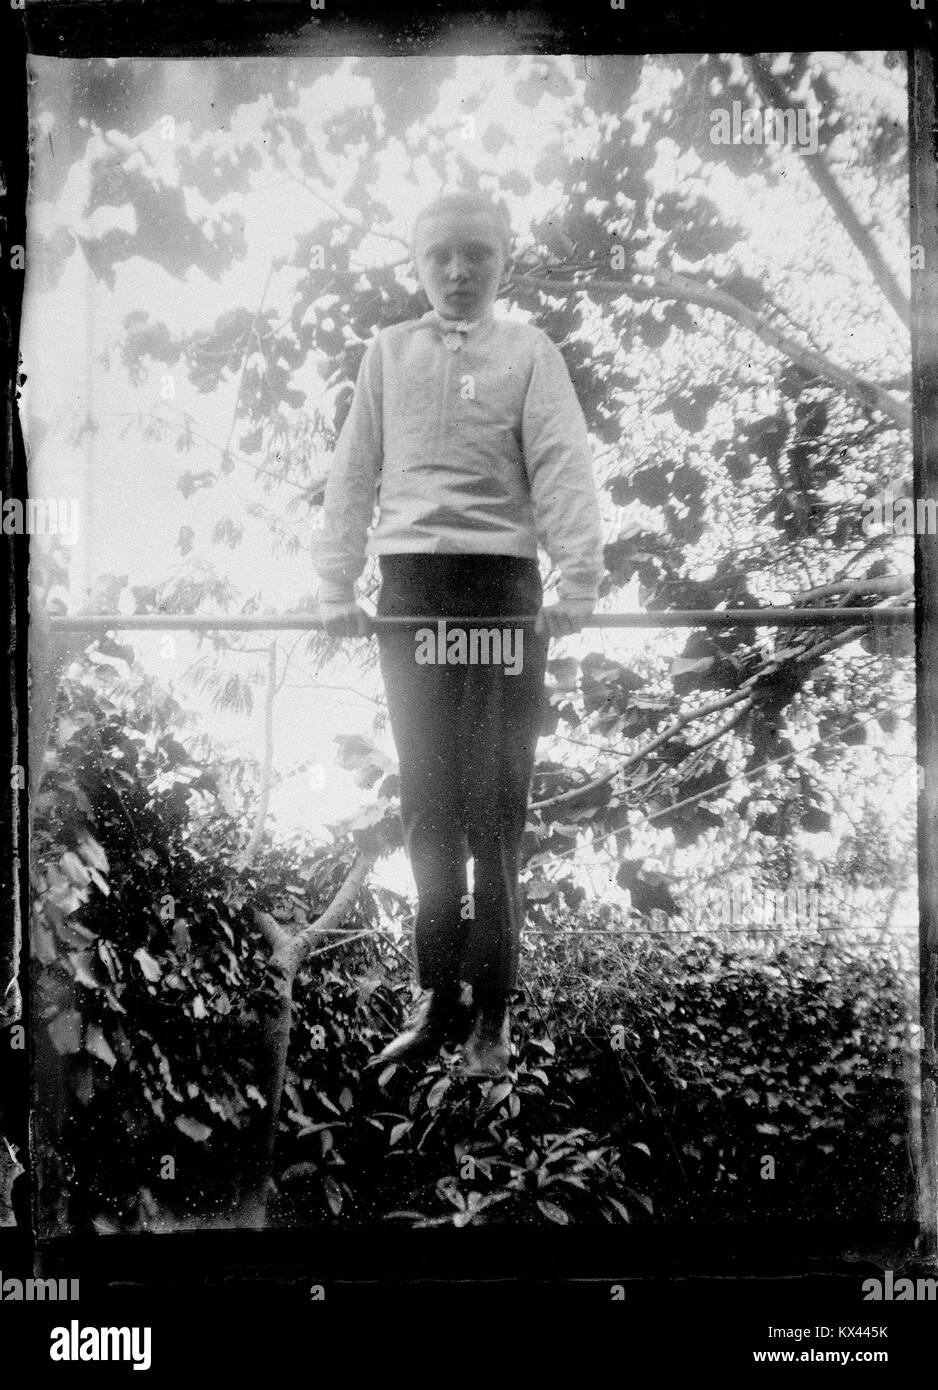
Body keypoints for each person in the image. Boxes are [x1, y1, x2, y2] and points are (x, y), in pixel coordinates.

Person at [314, 189, 603, 1077]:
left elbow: (560, 461)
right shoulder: (387, 352)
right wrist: (334, 582)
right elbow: (355, 467)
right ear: (416, 263)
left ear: (502, 260)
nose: (458, 270)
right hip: (412, 589)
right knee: (429, 797)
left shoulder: (529, 351)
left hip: (500, 588)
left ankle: (495, 1014)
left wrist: (578, 577)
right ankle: (438, 996)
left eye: (477, 252)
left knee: (496, 799)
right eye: (439, 254)